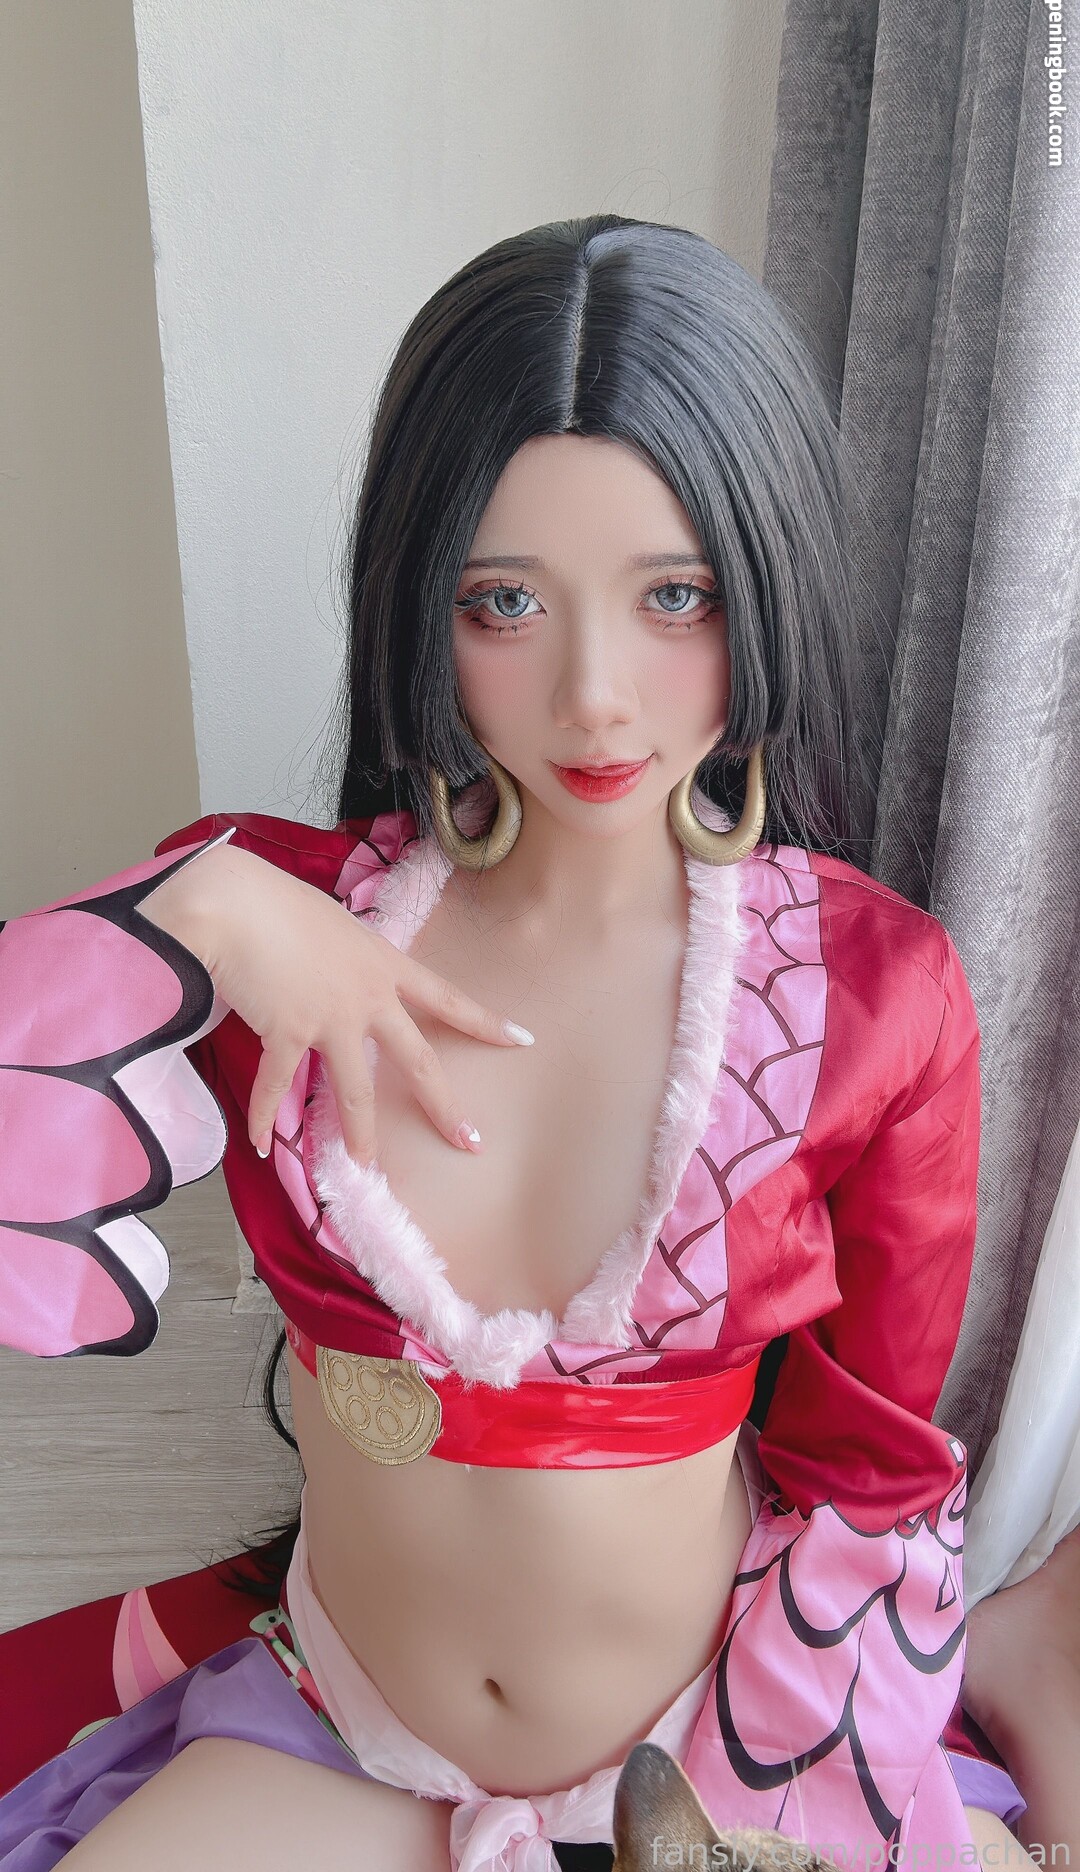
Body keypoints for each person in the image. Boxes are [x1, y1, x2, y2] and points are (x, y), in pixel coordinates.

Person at [0, 215, 1033, 1871]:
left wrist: (771, 1794)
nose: (594, 696)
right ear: (422, 598)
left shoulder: (872, 994)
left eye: (674, 596)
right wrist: (194, 906)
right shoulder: (283, 921)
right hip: (342, 1725)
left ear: (765, 583)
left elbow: (871, 1462)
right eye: (504, 604)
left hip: (703, 1762)